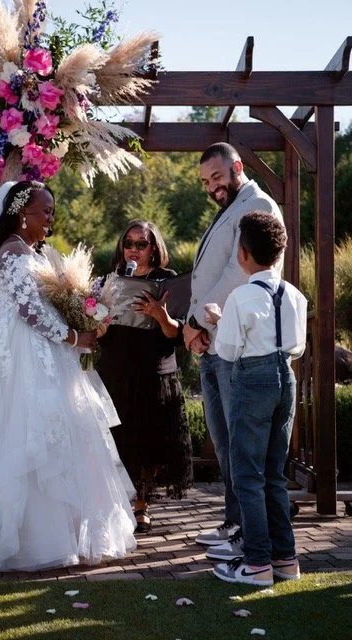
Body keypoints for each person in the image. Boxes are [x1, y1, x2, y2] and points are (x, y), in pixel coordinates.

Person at [0, 180, 137, 573]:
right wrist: (75, 335)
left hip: (37, 351)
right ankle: (20, 538)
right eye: (46, 212)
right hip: (20, 355)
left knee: (51, 437)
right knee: (19, 435)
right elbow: (29, 312)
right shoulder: (14, 255)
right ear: (23, 214)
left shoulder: (25, 251)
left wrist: (80, 313)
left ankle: (54, 533)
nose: (50, 219)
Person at [183, 142, 284, 554]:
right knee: (223, 441)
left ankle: (247, 533)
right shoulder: (232, 205)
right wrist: (197, 330)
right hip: (212, 340)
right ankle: (233, 522)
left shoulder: (255, 204)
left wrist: (194, 323)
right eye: (206, 181)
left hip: (232, 342)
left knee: (238, 445)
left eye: (217, 177)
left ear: (237, 166)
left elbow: (235, 275)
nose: (211, 187)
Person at [209, 211, 307, 585]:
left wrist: (218, 320)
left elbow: (229, 350)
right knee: (273, 475)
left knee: (247, 476)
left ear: (243, 253)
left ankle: (256, 564)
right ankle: (285, 560)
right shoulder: (295, 295)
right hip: (286, 376)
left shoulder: (241, 296)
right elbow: (296, 347)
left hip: (253, 379)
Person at [97, 220, 193, 533]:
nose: (134, 249)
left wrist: (159, 315)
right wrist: (97, 322)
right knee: (116, 441)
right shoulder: (108, 280)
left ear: (154, 248)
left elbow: (176, 334)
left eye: (142, 243)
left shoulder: (167, 281)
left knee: (147, 443)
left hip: (153, 371)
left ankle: (141, 506)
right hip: (115, 371)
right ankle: (115, 506)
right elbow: (100, 334)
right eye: (129, 243)